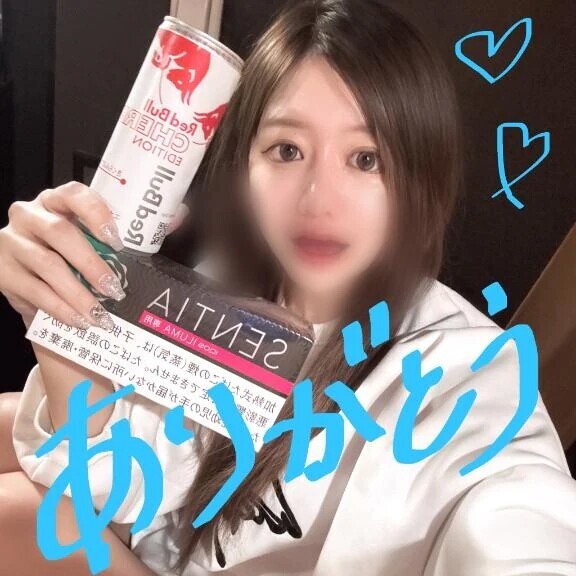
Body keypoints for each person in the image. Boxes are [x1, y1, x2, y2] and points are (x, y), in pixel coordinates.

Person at [1, 0, 576, 574]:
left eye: (366, 159)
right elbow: (116, 480)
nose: (317, 200)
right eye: (287, 150)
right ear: (244, 164)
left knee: (18, 513)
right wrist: (64, 324)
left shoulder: (468, 373)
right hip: (166, 543)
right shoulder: (228, 289)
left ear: (422, 178)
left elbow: (518, 518)